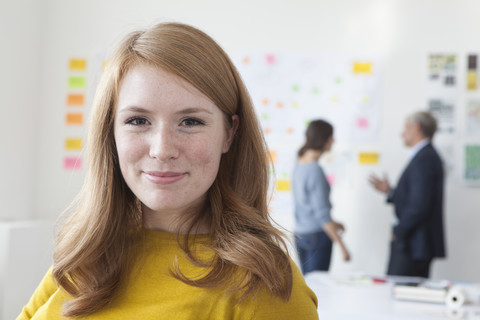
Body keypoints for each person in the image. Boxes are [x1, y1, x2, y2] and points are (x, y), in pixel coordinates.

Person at [17, 22, 319, 320]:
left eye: (190, 122)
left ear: (229, 134)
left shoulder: (263, 285)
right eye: (138, 120)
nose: (162, 149)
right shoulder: (87, 252)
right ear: (111, 132)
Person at [369, 111, 446, 278]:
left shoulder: (425, 158)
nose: (401, 133)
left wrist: (399, 231)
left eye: (405, 128)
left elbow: (419, 206)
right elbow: (416, 197)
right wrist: (390, 191)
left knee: (400, 293)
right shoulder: (425, 156)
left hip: (413, 244)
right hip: (414, 242)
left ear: (416, 127)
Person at [292, 119, 350, 274]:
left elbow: (308, 206)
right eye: (331, 137)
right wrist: (343, 247)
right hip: (316, 237)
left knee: (309, 286)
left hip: (300, 235)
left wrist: (334, 223)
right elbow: (322, 214)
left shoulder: (299, 163)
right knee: (317, 290)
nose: (334, 140)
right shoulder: (315, 170)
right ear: (324, 139)